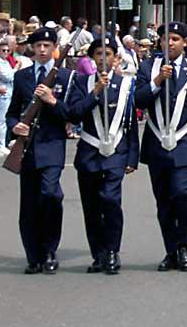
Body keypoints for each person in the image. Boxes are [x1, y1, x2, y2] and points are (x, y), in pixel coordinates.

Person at [134, 22, 187, 272]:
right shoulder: (148, 68)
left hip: (186, 142)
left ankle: (184, 244)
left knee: (183, 194)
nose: (171, 43)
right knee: (163, 201)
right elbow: (139, 100)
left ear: (185, 42)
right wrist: (157, 81)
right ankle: (171, 250)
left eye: (176, 38)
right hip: (157, 142)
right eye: (166, 38)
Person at [66, 37, 139, 274]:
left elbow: (131, 123)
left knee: (110, 200)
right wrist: (95, 92)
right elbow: (75, 114)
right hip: (89, 151)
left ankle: (112, 251)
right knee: (92, 206)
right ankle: (98, 253)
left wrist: (132, 158)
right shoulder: (81, 82)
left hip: (116, 152)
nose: (103, 58)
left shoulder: (126, 84)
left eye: (108, 54)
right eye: (98, 54)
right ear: (92, 58)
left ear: (116, 57)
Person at [6, 27, 74, 275]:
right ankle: (33, 255)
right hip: (28, 148)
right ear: (32, 49)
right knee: (30, 203)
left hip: (53, 145)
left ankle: (49, 249)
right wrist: (16, 127)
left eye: (47, 45)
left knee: (51, 195)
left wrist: (52, 101)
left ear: (54, 47)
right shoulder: (22, 77)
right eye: (38, 46)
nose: (42, 50)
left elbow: (71, 113)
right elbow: (12, 112)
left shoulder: (65, 77)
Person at [0, 40, 15, 156]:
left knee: (5, 121)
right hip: (2, 94)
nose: (6, 52)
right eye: (3, 50)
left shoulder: (5, 62)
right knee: (1, 121)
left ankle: (3, 143)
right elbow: (8, 76)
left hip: (9, 92)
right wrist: (16, 69)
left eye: (8, 50)